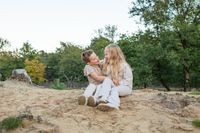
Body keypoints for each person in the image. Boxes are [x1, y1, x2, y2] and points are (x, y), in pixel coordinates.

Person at [95, 43, 133, 111]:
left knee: (114, 90)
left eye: (106, 54)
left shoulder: (124, 66)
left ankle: (114, 104)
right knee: (102, 84)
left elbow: (128, 81)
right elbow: (96, 63)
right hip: (114, 84)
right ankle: (102, 99)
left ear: (113, 54)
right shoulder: (106, 63)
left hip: (125, 87)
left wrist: (119, 82)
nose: (105, 56)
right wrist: (88, 67)